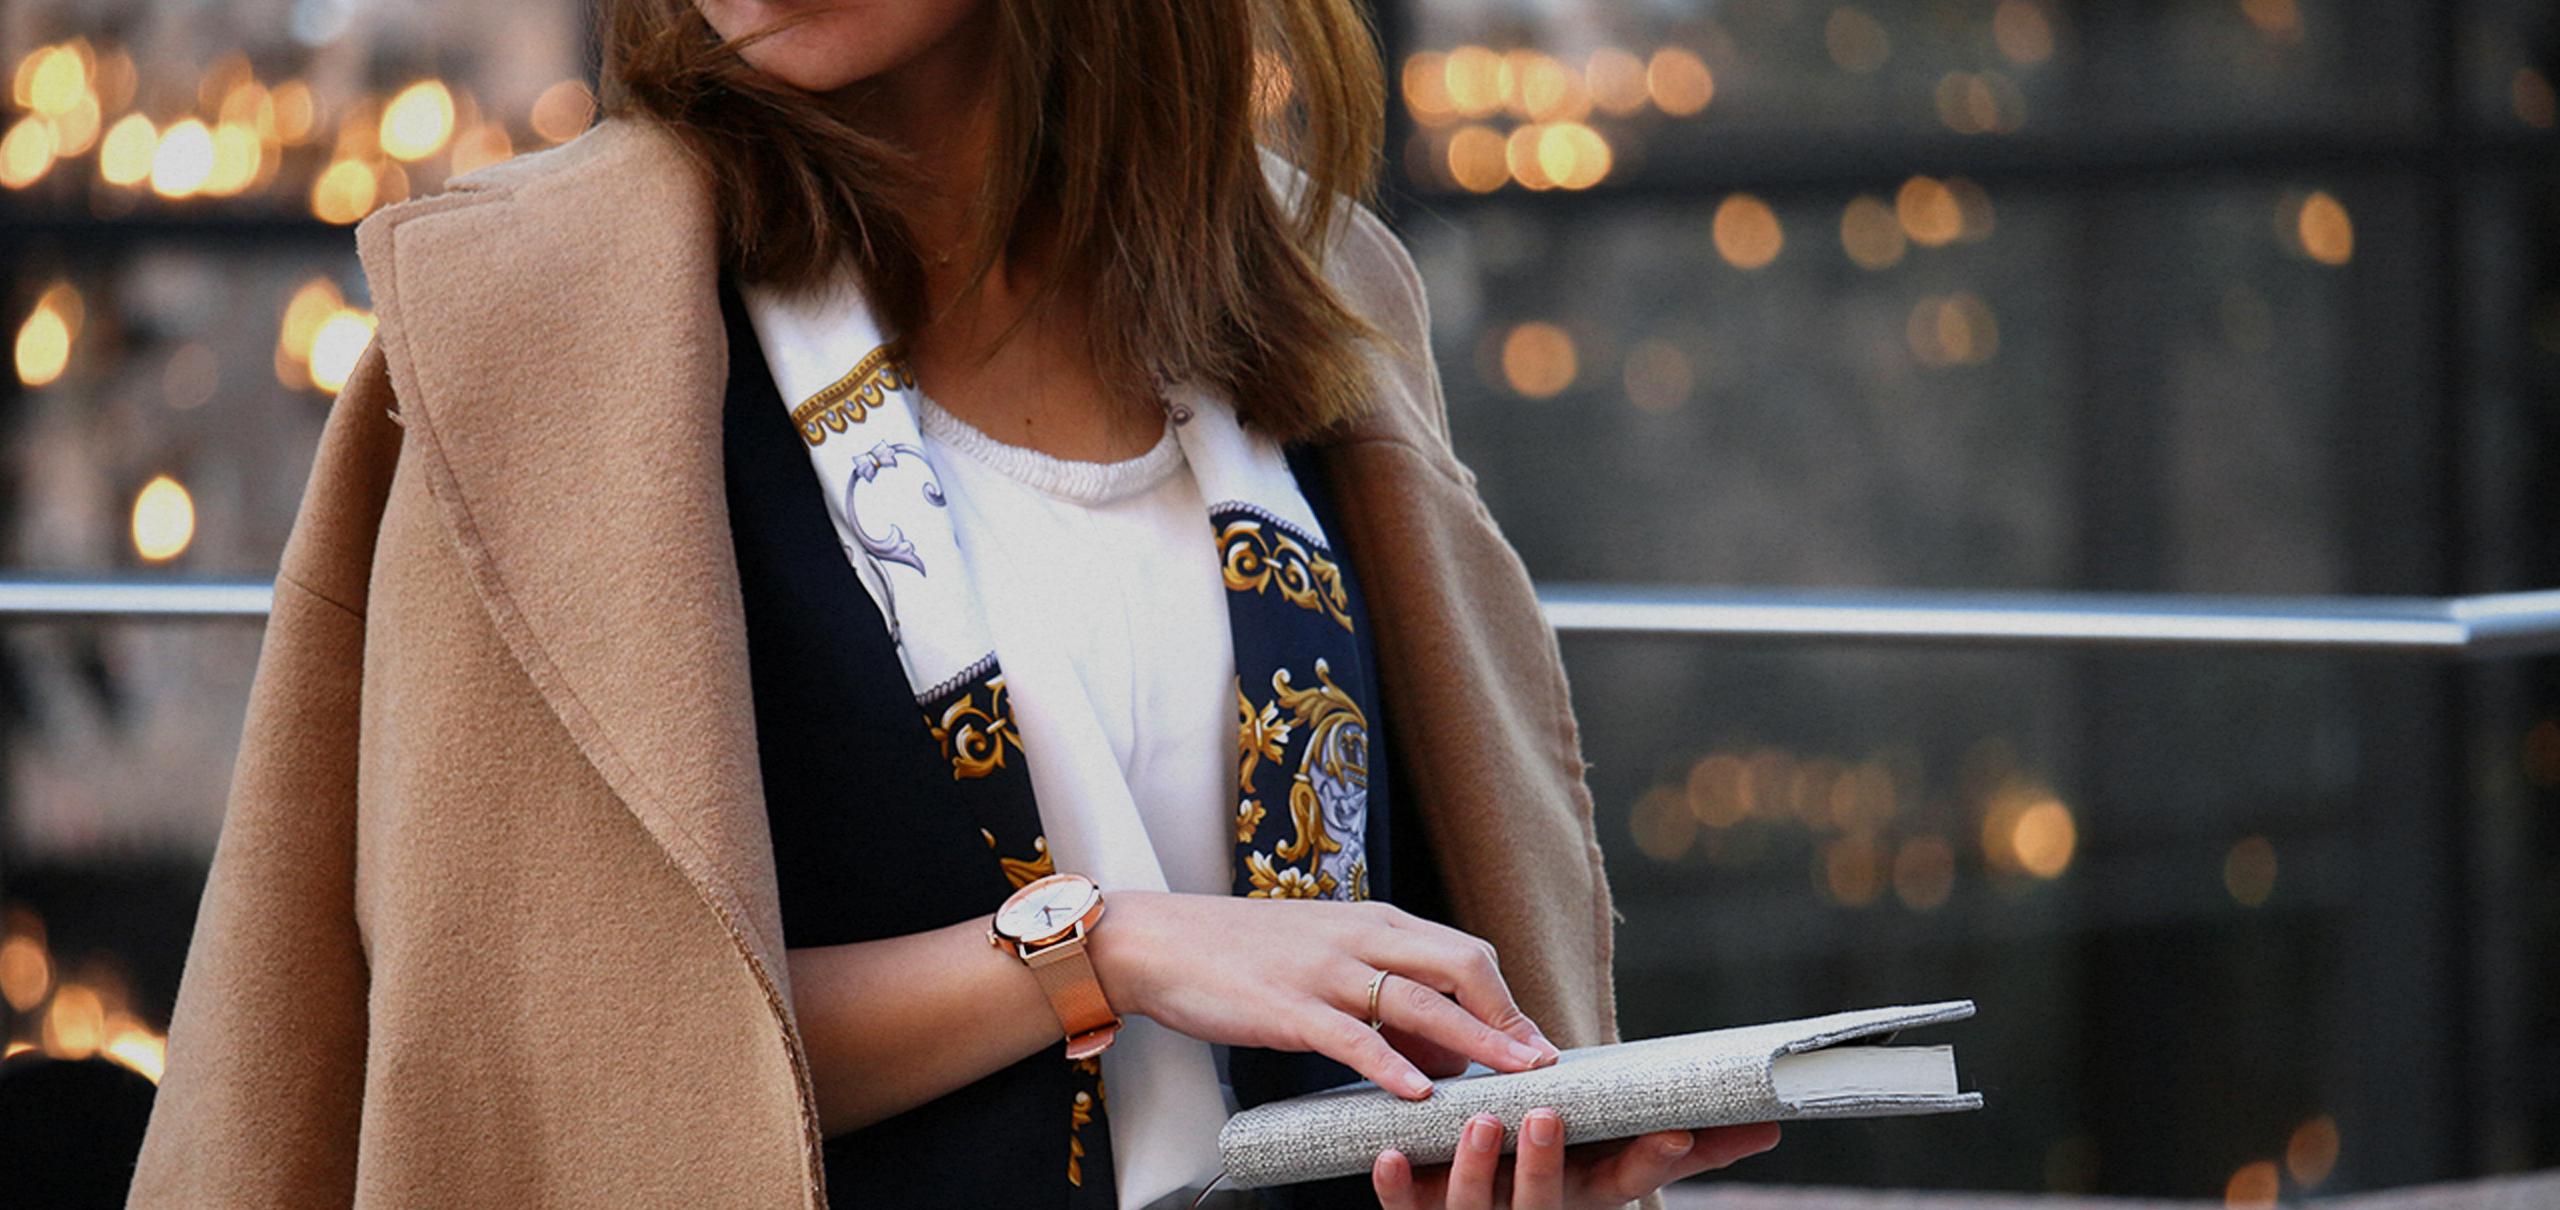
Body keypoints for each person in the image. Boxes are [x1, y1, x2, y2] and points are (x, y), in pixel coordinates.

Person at [128, 1, 1780, 1207]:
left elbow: (1387, 923)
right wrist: (1105, 947)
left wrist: (1495, 1139)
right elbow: (539, 1051)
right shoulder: (551, 334)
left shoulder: (1309, 286)